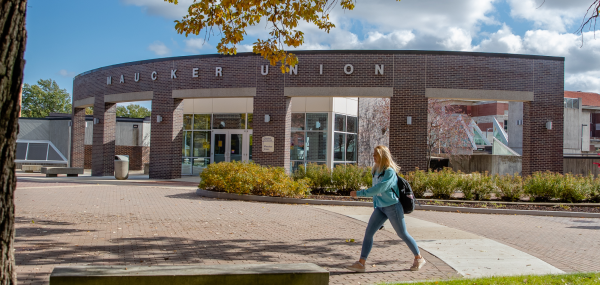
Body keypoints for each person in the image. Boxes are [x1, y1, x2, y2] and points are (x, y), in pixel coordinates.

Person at [346, 145, 425, 273]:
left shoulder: (389, 172)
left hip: (393, 207)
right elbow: (377, 194)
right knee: (369, 232)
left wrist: (360, 194)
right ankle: (361, 263)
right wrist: (375, 207)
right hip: (381, 208)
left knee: (402, 234)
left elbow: (379, 189)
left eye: (376, 154)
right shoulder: (375, 171)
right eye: (373, 154)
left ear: (383, 156)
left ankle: (419, 258)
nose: (373, 156)